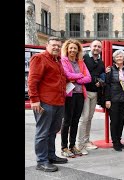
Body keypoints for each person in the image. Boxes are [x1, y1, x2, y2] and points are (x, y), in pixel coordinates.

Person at [28, 36, 68, 172]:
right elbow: (32, 81)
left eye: (58, 45)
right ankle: (41, 161)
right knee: (43, 132)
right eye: (54, 45)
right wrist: (34, 99)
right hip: (45, 102)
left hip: (58, 102)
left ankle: (51, 156)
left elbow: (61, 79)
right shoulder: (39, 58)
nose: (56, 47)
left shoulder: (58, 61)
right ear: (47, 45)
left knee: (53, 131)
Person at [60, 39, 91, 158]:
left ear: (78, 50)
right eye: (71, 48)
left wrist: (76, 78)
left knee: (75, 121)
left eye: (75, 48)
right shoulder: (64, 60)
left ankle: (72, 145)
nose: (73, 50)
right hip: (69, 95)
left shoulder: (81, 62)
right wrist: (80, 76)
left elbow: (88, 78)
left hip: (79, 95)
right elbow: (67, 75)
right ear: (67, 49)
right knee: (67, 121)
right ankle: (64, 147)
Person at [77, 40, 105, 155]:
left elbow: (102, 75)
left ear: (101, 49)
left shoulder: (101, 62)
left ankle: (86, 140)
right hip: (84, 91)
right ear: (90, 47)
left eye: (99, 46)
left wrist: (101, 81)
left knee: (89, 118)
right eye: (95, 46)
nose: (96, 48)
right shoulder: (84, 58)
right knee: (84, 118)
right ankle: (80, 144)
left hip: (95, 93)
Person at [105, 49, 124, 151]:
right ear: (114, 59)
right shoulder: (110, 70)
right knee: (114, 121)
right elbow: (107, 85)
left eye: (121, 56)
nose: (119, 58)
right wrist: (107, 99)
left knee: (121, 121)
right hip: (114, 99)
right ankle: (115, 142)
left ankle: (119, 139)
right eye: (117, 57)